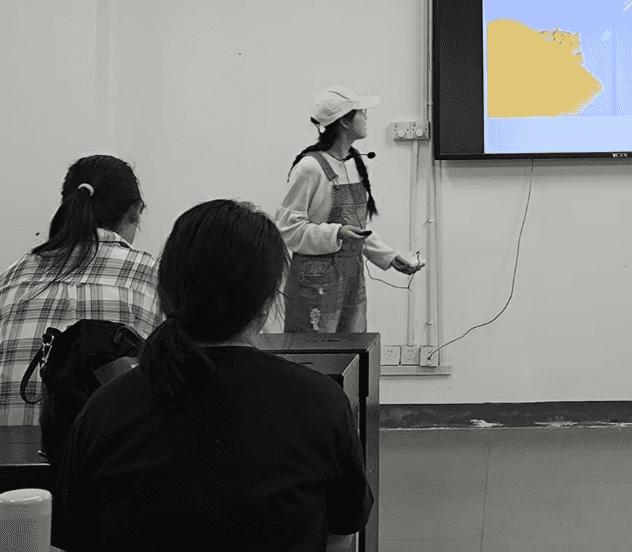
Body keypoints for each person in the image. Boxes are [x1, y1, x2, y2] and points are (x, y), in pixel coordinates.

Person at [52, 199, 373, 551]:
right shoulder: (321, 403)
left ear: (165, 293)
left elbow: (76, 536)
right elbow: (342, 531)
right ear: (267, 302)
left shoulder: (104, 411)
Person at [0, 155, 162, 426]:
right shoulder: (157, 279)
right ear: (135, 212)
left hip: (10, 449)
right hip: (107, 451)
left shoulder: (10, 279)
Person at [276, 85, 424, 334]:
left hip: (350, 277)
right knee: (314, 350)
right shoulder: (310, 168)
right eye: (361, 112)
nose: (366, 117)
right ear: (344, 121)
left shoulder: (354, 164)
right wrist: (337, 233)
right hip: (315, 281)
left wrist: (389, 257)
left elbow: (357, 229)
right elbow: (288, 228)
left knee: (350, 349)